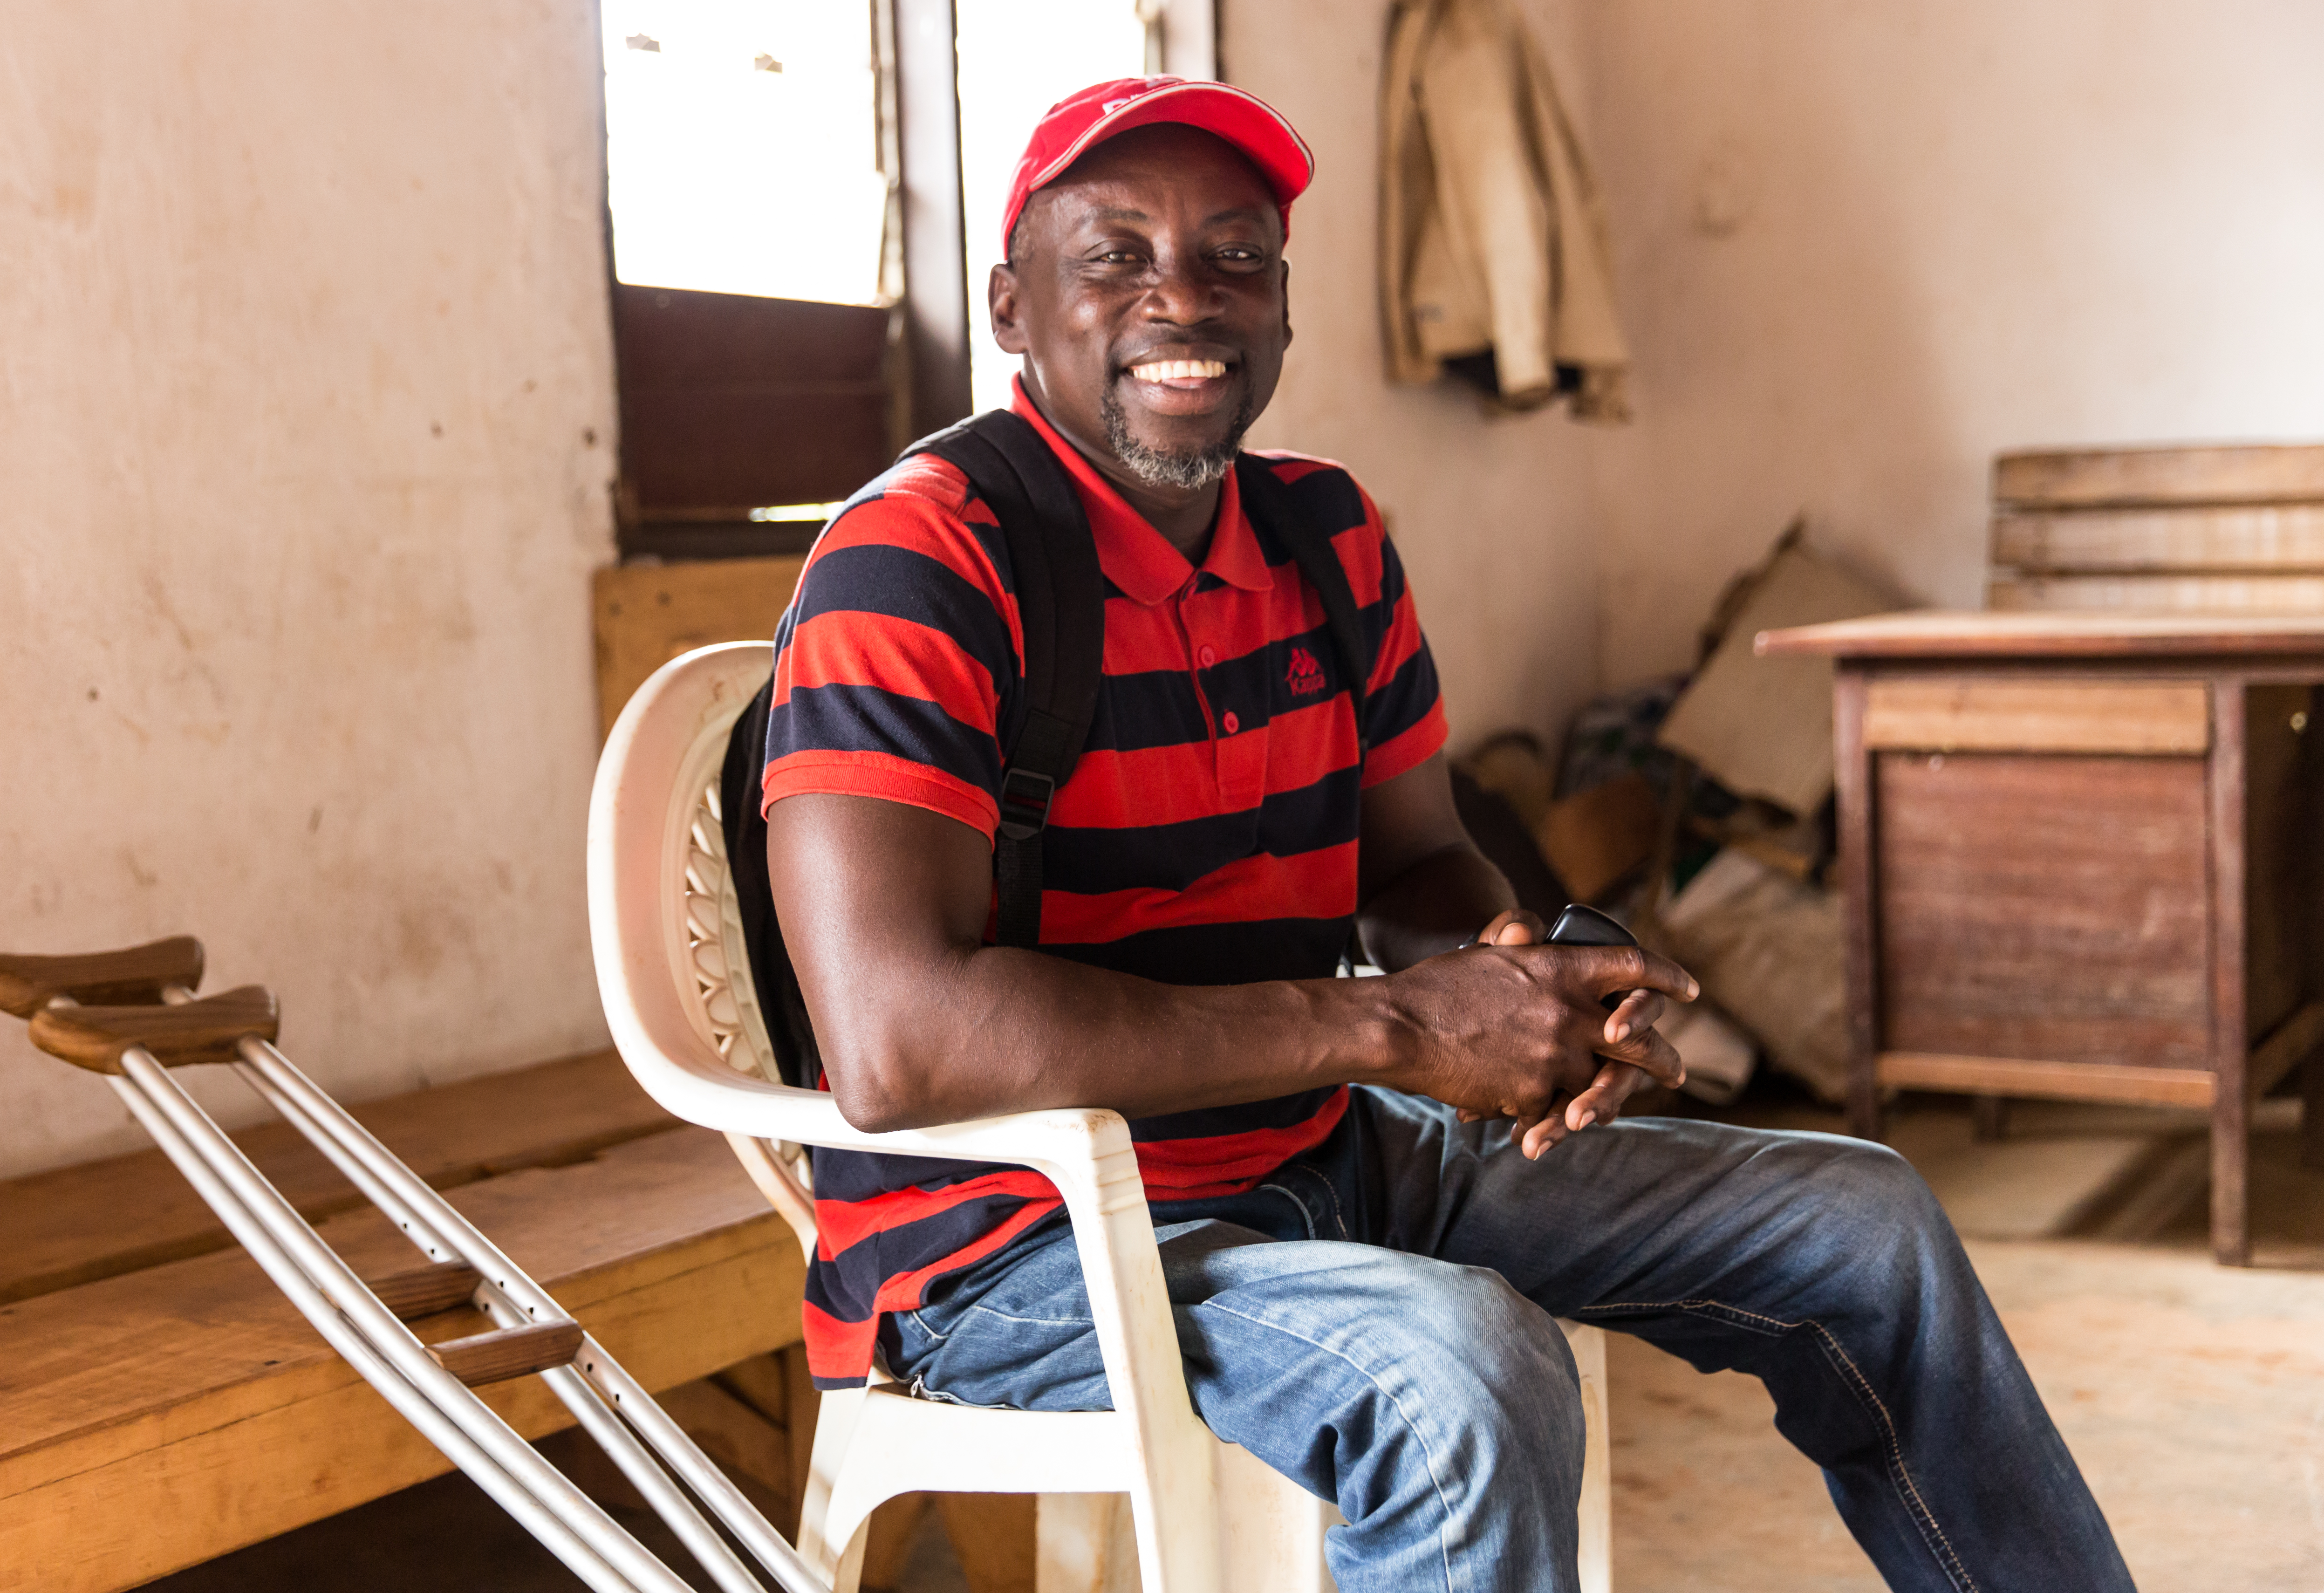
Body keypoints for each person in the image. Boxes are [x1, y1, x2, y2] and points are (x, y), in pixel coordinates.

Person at [759, 76, 2132, 1593]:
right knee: (1462, 1372)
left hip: (1322, 1150)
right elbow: (902, 1046)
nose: (1183, 298)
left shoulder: (1328, 536)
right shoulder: (923, 560)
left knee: (1865, 1226)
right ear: (1014, 307)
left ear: (1283, 306)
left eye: (1235, 256)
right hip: (1018, 1247)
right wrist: (1402, 1027)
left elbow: (1417, 864)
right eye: (1116, 256)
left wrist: (1512, 975)